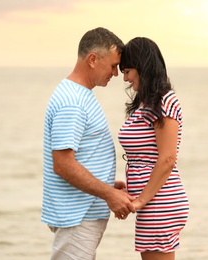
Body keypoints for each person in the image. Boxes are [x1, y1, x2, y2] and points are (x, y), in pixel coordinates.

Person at [41, 27, 136, 260]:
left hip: (81, 213)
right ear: (93, 59)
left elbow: (79, 157)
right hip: (77, 217)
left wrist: (106, 183)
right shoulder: (72, 102)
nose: (116, 74)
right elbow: (63, 164)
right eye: (113, 65)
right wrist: (109, 194)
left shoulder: (79, 94)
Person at [118, 37, 190, 260]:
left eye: (128, 70)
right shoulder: (144, 103)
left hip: (160, 203)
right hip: (153, 203)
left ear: (143, 66)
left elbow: (167, 158)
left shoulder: (165, 101)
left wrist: (141, 200)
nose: (125, 78)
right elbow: (145, 157)